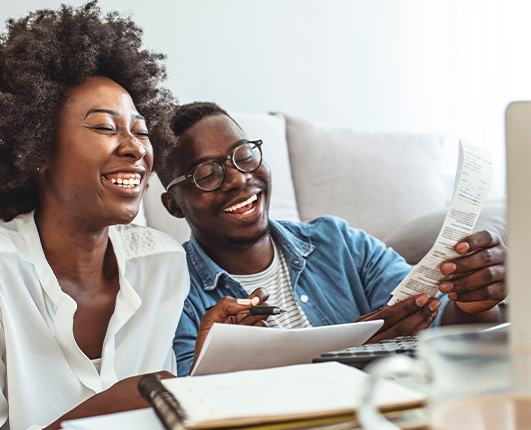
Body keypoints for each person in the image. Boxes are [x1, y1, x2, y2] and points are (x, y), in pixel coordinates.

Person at [0, 2, 189, 430]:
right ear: (38, 148)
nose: (134, 148)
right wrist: (87, 418)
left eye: (142, 132)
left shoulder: (162, 263)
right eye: (105, 127)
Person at [150, 102, 507, 376]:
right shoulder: (171, 289)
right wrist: (348, 356)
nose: (238, 179)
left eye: (244, 155)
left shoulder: (338, 243)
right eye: (207, 174)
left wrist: (475, 302)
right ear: (174, 204)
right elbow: (188, 398)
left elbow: (450, 332)